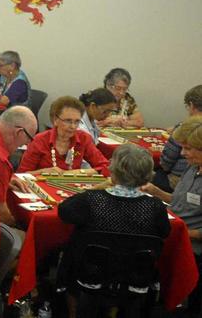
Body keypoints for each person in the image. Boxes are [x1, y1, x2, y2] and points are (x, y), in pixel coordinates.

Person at [58, 144, 171, 318]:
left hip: (90, 274)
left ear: (114, 170)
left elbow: (64, 211)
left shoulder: (91, 200)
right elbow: (164, 233)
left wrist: (99, 187)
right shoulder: (155, 207)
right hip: (135, 277)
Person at [141, 115, 202, 254]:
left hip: (190, 250)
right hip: (171, 236)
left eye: (187, 148)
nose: (182, 153)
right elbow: (180, 201)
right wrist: (156, 191)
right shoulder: (193, 167)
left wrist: (178, 231)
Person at [18, 96, 110, 175]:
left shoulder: (83, 138)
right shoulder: (40, 140)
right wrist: (43, 172)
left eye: (77, 121)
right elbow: (21, 175)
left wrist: (79, 172)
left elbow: (105, 167)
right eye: (68, 121)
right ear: (55, 120)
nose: (73, 126)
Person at [157, 85, 202, 191]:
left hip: (179, 180)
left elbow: (165, 163)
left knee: (152, 174)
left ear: (191, 105)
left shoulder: (186, 128)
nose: (183, 152)